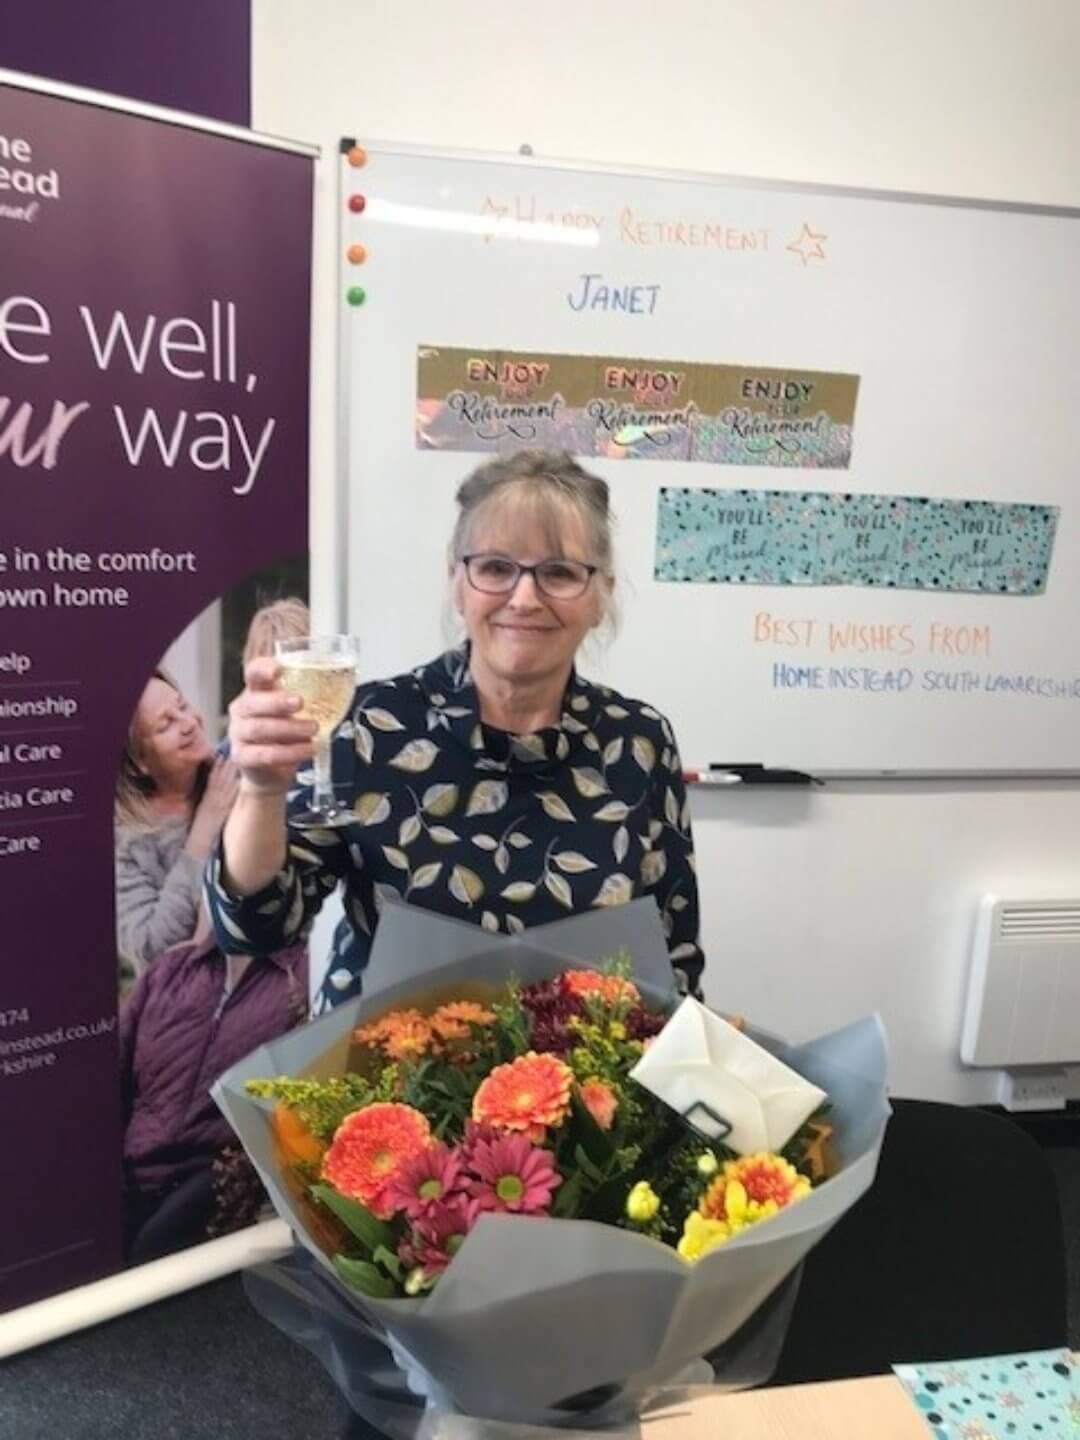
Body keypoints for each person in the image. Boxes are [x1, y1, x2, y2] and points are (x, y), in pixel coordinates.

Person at [206, 449, 704, 1005]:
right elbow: (254, 929)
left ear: (601, 594)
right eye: (495, 568)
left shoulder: (637, 742)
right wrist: (260, 791)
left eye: (559, 573)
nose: (524, 598)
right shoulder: (367, 726)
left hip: (581, 1085)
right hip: (386, 1079)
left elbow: (675, 962)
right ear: (457, 581)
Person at [119, 931, 307, 1263]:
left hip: (215, 1186)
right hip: (130, 1172)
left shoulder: (304, 978)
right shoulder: (171, 969)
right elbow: (112, 1074)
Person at [115, 670, 237, 984]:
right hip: (186, 1008)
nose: (188, 723)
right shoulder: (125, 839)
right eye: (165, 724)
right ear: (138, 762)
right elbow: (152, 949)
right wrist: (203, 831)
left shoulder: (234, 774)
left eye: (182, 706)